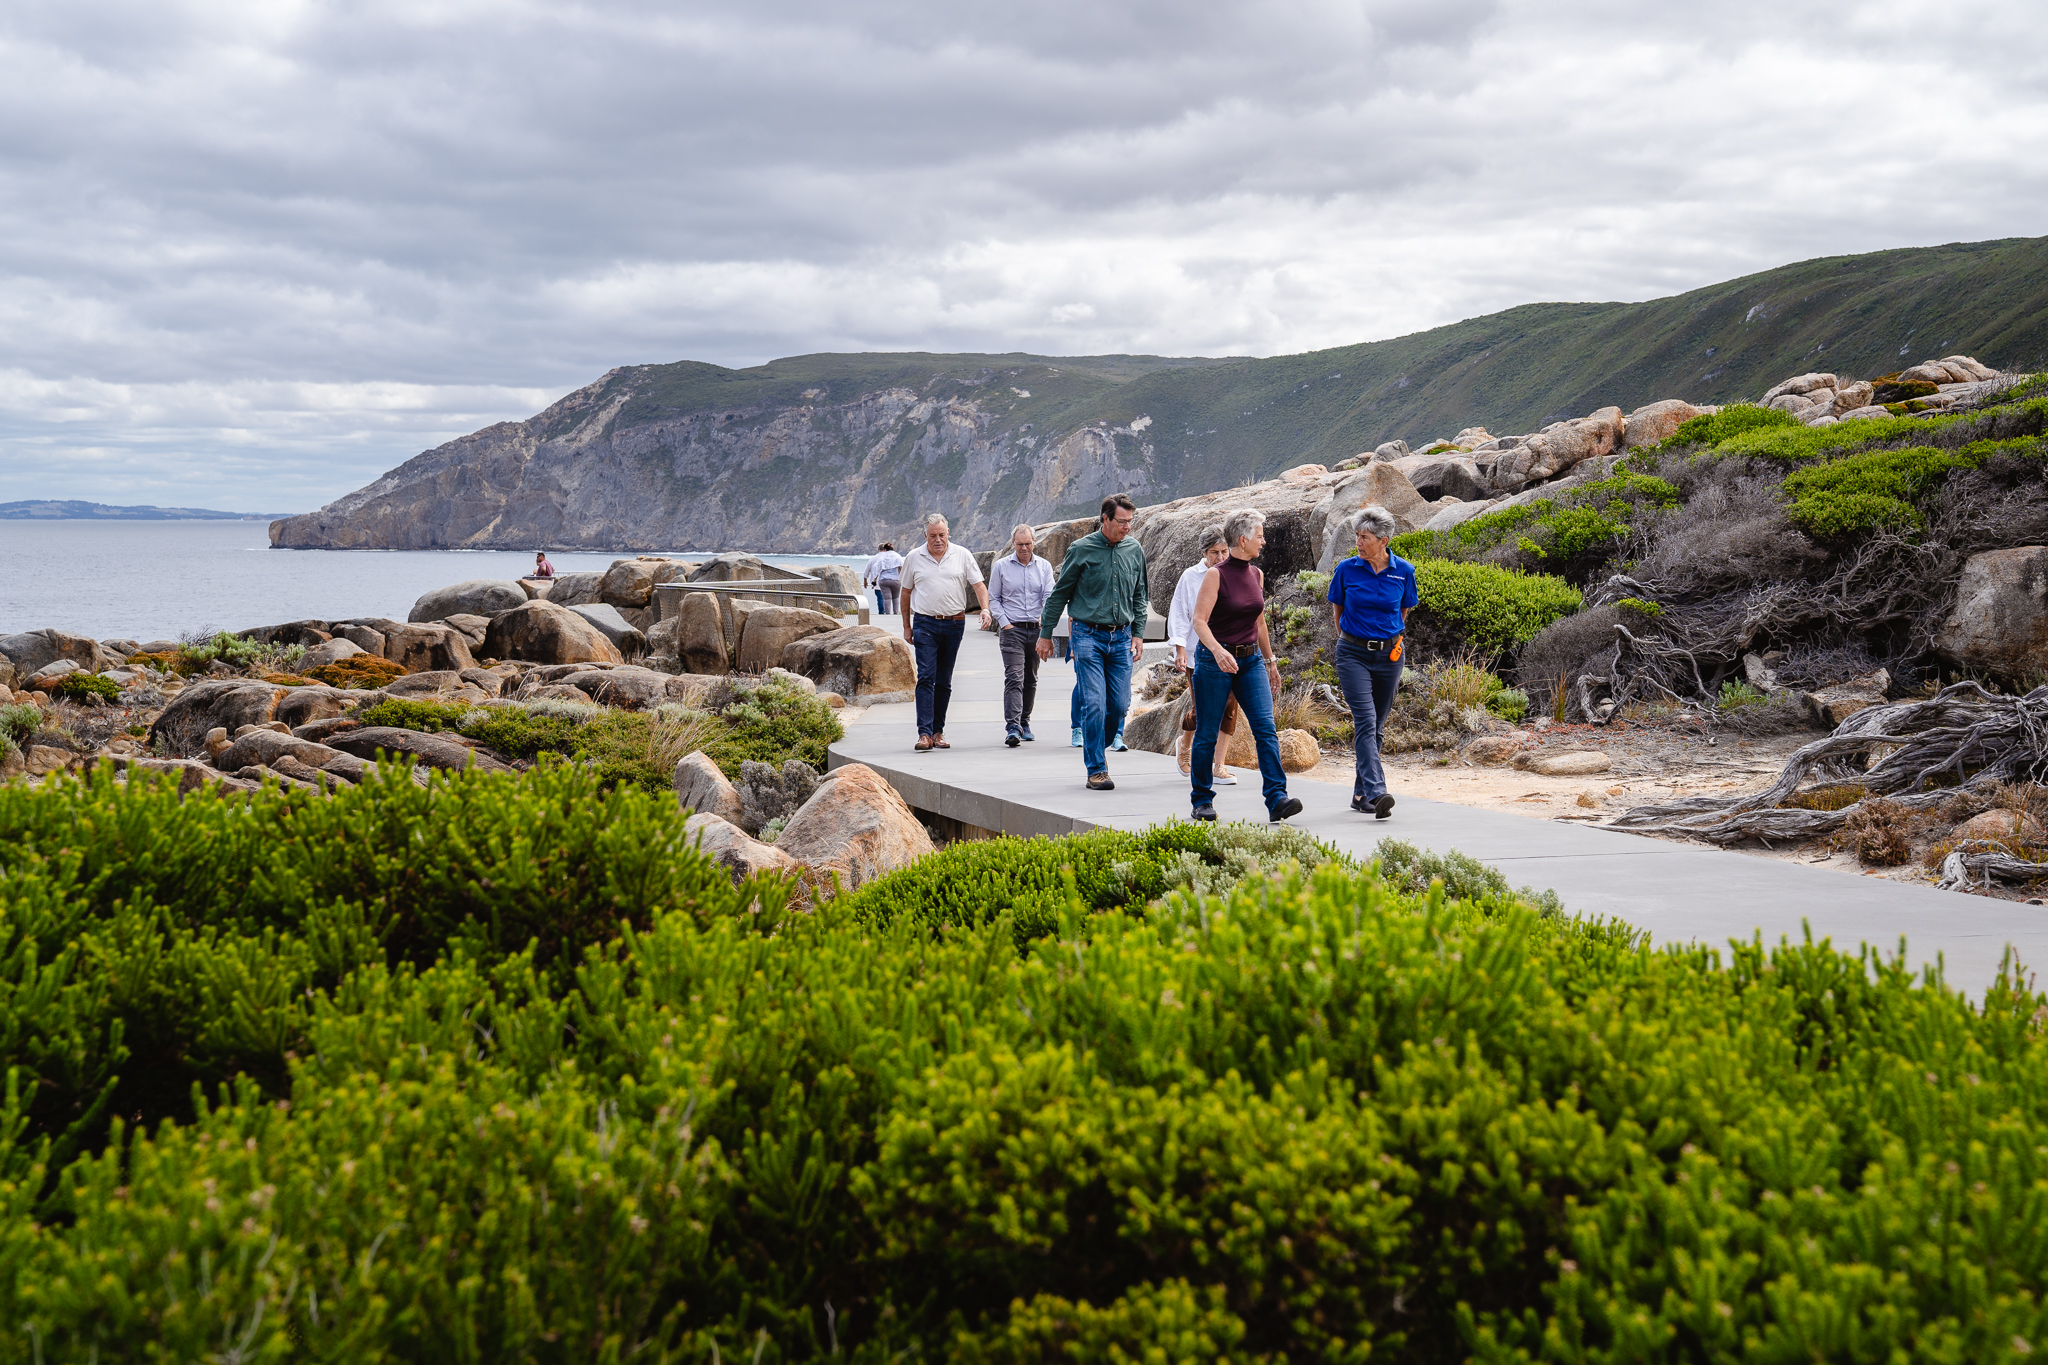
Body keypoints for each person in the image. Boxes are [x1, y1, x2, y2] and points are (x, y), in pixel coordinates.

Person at [1188, 507, 1302, 824]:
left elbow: (1259, 621)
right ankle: (1201, 800)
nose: (1263, 542)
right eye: (1260, 536)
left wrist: (1270, 661)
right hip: (1215, 662)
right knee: (1208, 732)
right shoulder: (1216, 575)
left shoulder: (1256, 574)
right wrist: (1217, 651)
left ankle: (1277, 798)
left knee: (1265, 728)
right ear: (1243, 539)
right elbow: (1199, 621)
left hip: (1250, 660)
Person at [1038, 494, 1148, 791]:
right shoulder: (1081, 549)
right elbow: (1060, 594)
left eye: (1130, 522)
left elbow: (1140, 596)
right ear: (1106, 519)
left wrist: (1138, 633)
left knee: (1119, 705)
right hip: (1087, 636)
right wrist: (1045, 634)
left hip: (1122, 637)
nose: (1127, 527)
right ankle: (1096, 768)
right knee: (1095, 704)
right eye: (1122, 522)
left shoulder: (1134, 550)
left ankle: (1098, 745)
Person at [1327, 505, 1418, 819]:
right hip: (1352, 654)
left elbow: (1403, 612)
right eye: (1357, 536)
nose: (1358, 543)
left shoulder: (1404, 571)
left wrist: (1385, 639)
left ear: (1384, 540)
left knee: (1376, 727)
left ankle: (1360, 793)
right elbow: (1337, 612)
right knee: (1366, 721)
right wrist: (1353, 638)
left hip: (1390, 656)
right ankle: (1377, 792)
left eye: (1364, 537)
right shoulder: (1346, 569)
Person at [899, 514, 989, 752]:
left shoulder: (962, 555)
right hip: (924, 623)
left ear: (948, 533)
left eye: (941, 535)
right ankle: (924, 734)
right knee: (926, 676)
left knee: (944, 680)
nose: (937, 540)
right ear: (925, 535)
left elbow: (979, 585)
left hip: (954, 624)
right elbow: (906, 593)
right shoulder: (913, 557)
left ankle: (938, 732)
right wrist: (907, 626)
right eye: (932, 536)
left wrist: (985, 610)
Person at [1166, 524, 1238, 786]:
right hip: (1200, 655)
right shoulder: (1190, 577)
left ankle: (1219, 766)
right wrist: (1180, 650)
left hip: (1231, 652)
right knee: (1204, 710)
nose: (1220, 557)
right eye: (1214, 552)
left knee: (1229, 707)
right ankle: (1184, 742)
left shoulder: (1233, 572)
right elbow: (1180, 614)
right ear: (1204, 552)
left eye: (1223, 551)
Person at [989, 523, 1054, 746]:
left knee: (1031, 678)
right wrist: (1005, 624)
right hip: (1012, 630)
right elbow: (993, 599)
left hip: (1036, 631)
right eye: (1019, 544)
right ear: (1013, 543)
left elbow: (1049, 596)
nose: (1024, 548)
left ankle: (1025, 722)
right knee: (1014, 677)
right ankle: (1012, 727)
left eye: (1027, 544)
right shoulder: (1001, 567)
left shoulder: (1044, 567)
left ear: (1034, 543)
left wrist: (1044, 620)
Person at [864, 542, 903, 616]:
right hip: (895, 580)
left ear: (885, 549)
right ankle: (896, 612)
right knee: (896, 597)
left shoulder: (882, 557)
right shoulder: (897, 556)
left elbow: (876, 568)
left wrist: (874, 580)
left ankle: (887, 614)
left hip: (884, 580)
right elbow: (902, 567)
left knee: (887, 598)